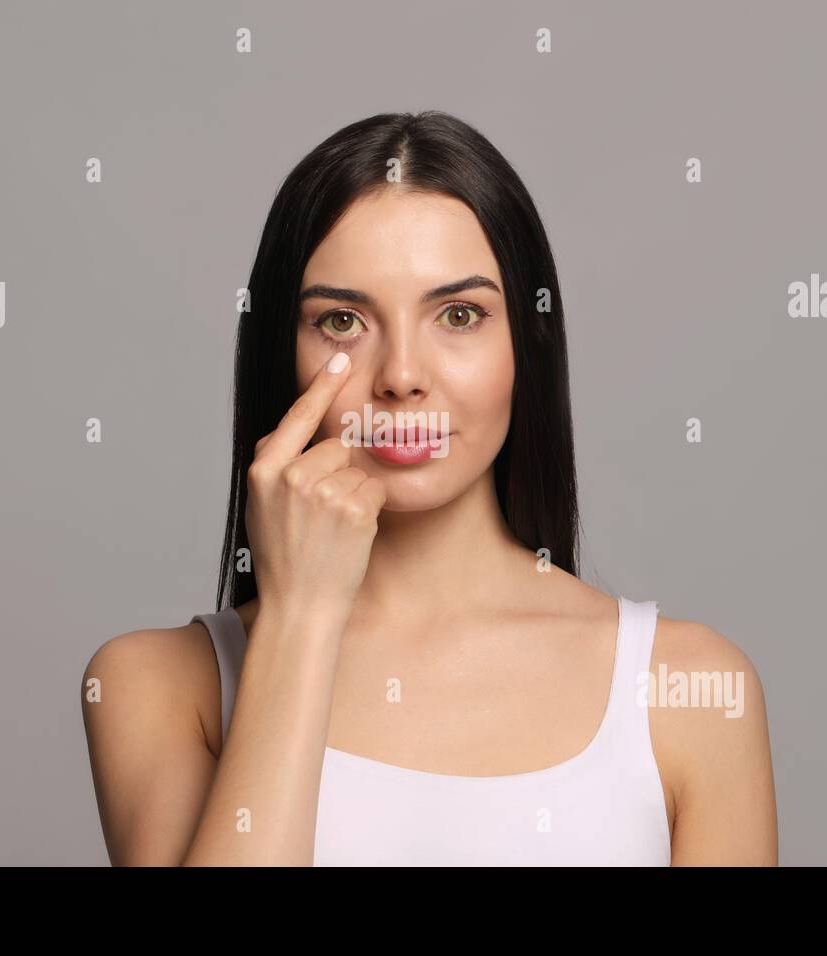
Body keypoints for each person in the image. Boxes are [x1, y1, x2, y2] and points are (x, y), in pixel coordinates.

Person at [81, 111, 777, 866]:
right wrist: (302, 618)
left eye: (459, 314)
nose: (403, 377)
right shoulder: (154, 686)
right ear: (281, 352)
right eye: (342, 320)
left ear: (527, 345)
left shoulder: (689, 690)